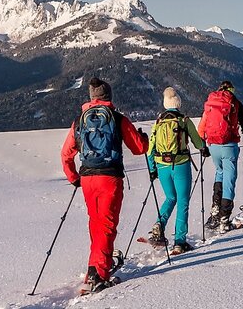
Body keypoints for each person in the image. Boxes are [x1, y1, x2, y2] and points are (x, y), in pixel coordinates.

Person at [60, 77, 148, 295]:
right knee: (107, 225)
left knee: (96, 223)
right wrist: (144, 138)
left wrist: (74, 178)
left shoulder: (80, 121)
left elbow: (66, 154)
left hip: (88, 178)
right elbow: (139, 148)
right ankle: (100, 275)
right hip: (110, 178)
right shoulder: (117, 119)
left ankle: (95, 266)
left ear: (91, 98)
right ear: (109, 97)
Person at [144, 87, 209, 254]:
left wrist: (152, 170)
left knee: (170, 197)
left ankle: (159, 224)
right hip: (180, 164)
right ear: (178, 103)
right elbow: (197, 142)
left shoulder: (158, 123)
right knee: (183, 201)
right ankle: (179, 241)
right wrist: (203, 149)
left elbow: (150, 150)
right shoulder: (184, 121)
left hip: (161, 165)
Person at [198, 80, 243, 232]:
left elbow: (201, 128)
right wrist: (241, 128)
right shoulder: (235, 102)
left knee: (220, 173)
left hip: (213, 145)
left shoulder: (210, 103)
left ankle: (215, 211)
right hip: (229, 146)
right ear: (231, 89)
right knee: (229, 180)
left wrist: (203, 146)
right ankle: (224, 219)